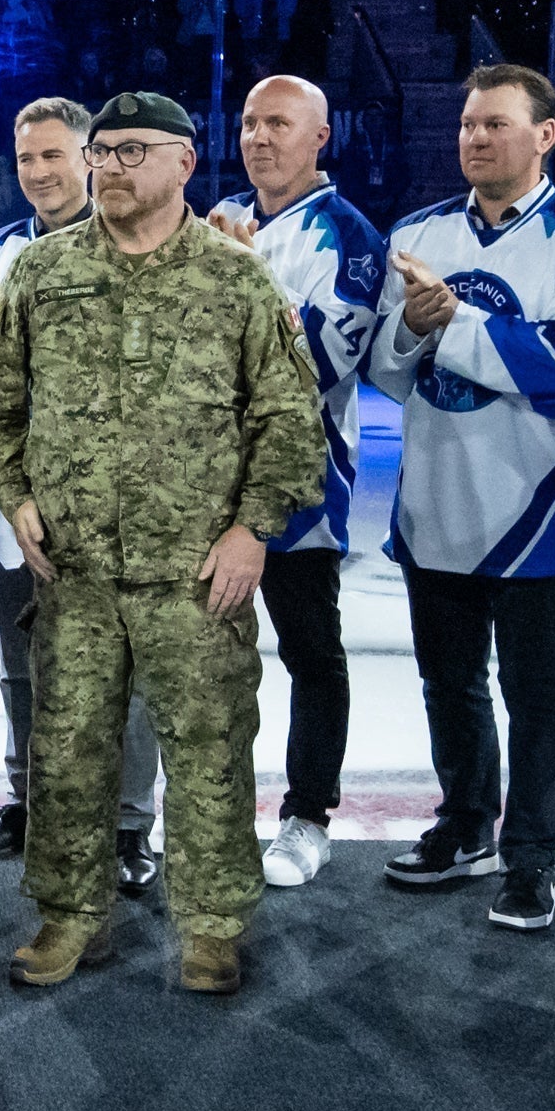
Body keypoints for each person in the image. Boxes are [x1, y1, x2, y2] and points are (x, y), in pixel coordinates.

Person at [0, 91, 324, 996]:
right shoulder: (41, 274)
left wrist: (253, 530)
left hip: (196, 578)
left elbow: (290, 421)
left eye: (132, 152)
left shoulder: (236, 280)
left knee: (208, 752)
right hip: (73, 575)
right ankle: (68, 917)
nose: (110, 169)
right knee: (69, 753)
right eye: (104, 153)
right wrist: (15, 497)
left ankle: (211, 926)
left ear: (184, 164)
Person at [364, 65, 555, 931]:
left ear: (546, 135)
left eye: (498, 125)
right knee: (449, 685)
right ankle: (466, 824)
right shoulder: (419, 230)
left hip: (537, 514)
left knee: (538, 691)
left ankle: (532, 856)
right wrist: (409, 327)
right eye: (470, 124)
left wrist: (454, 325)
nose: (477, 138)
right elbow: (388, 375)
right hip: (434, 504)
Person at [0, 99, 162, 897]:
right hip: (9, 514)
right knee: (23, 672)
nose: (41, 173)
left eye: (55, 155)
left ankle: (125, 826)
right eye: (26, 160)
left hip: (117, 514)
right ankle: (28, 803)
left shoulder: (143, 243)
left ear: (91, 155)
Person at [201, 76, 381, 889]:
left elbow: (320, 361)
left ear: (322, 135)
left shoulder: (349, 236)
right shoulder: (212, 222)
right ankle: (210, 809)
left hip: (302, 488)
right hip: (201, 493)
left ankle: (307, 817)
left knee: (311, 652)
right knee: (202, 658)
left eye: (278, 122)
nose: (259, 137)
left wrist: (244, 280)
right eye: (247, 123)